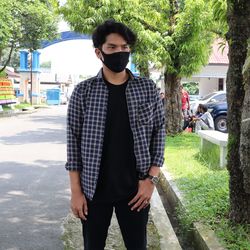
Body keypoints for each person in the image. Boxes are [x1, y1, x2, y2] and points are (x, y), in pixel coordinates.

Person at [65, 19, 165, 250]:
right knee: (93, 246)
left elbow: (159, 132)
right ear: (99, 52)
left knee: (137, 246)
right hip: (93, 189)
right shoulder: (83, 92)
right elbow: (73, 143)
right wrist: (76, 193)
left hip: (135, 188)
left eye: (125, 47)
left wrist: (151, 180)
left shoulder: (147, 88)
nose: (120, 52)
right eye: (112, 47)